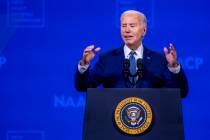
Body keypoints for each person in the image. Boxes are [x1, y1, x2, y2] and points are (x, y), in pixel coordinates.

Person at [74, 10, 188, 98]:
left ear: (144, 31)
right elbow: (83, 87)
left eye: (132, 26)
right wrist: (84, 65)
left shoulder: (158, 60)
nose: (127, 30)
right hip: (114, 124)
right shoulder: (107, 59)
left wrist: (174, 68)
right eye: (124, 26)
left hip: (150, 124)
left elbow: (181, 93)